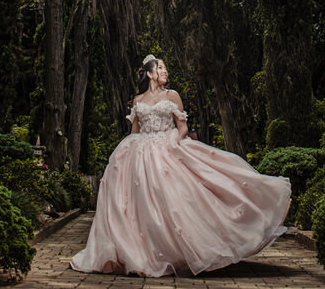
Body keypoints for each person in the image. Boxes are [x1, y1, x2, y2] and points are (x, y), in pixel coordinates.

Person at [70, 54, 292, 277]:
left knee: (177, 197)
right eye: (161, 67)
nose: (165, 71)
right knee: (138, 202)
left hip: (168, 144)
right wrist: (128, 150)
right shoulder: (138, 101)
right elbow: (135, 131)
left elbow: (183, 127)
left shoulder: (172, 96)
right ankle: (138, 251)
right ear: (149, 73)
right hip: (140, 151)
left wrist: (174, 141)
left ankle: (184, 247)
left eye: (165, 68)